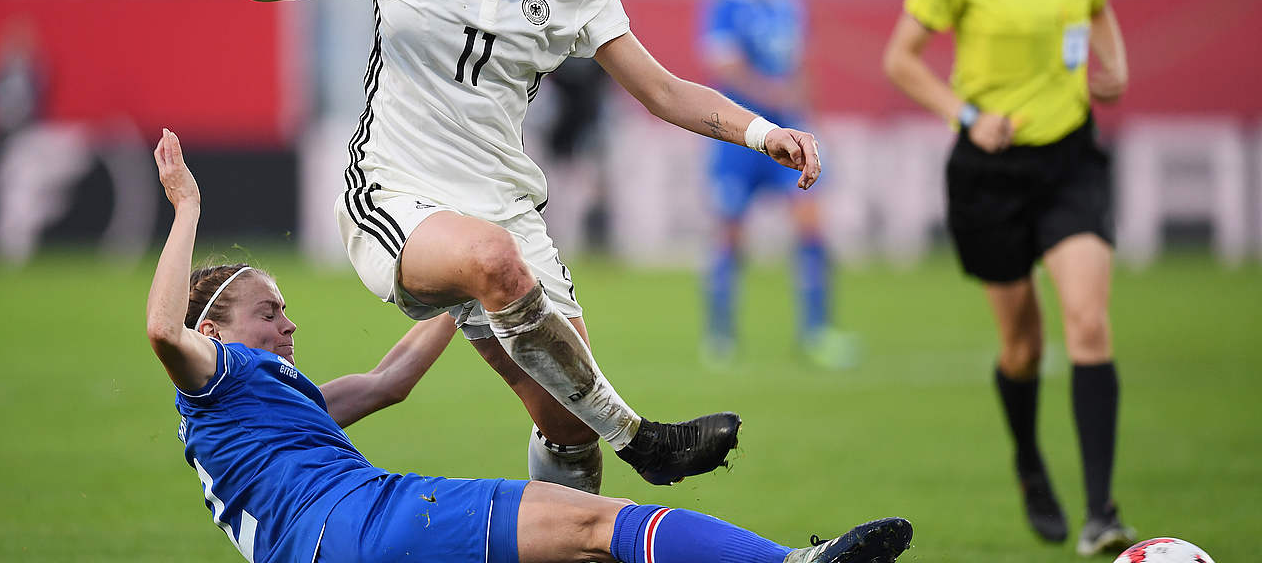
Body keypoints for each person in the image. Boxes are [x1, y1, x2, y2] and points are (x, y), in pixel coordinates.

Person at [220, 0, 823, 494]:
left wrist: (762, 132)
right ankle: (642, 440)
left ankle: (570, 532)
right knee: (492, 262)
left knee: (568, 428)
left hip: (504, 205)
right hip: (395, 193)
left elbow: (660, 90)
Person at [146, 128, 914, 563]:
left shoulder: (260, 410)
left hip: (319, 550)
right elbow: (161, 330)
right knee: (595, 525)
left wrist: (475, 279)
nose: (287, 326)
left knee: (581, 543)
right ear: (213, 332)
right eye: (268, 313)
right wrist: (187, 208)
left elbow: (388, 382)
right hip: (367, 525)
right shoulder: (217, 374)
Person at [881, 0, 1134, 557]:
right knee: (1023, 347)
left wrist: (1113, 63)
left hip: (1070, 160)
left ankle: (1102, 513)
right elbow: (900, 60)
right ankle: (1029, 462)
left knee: (1088, 322)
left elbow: (1098, 8)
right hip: (989, 172)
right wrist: (966, 115)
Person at [698, 0, 855, 368]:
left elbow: (800, 61)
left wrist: (804, 111)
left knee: (811, 224)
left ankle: (816, 332)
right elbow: (725, 67)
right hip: (740, 137)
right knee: (729, 232)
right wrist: (773, 97)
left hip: (788, 132)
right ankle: (721, 335)